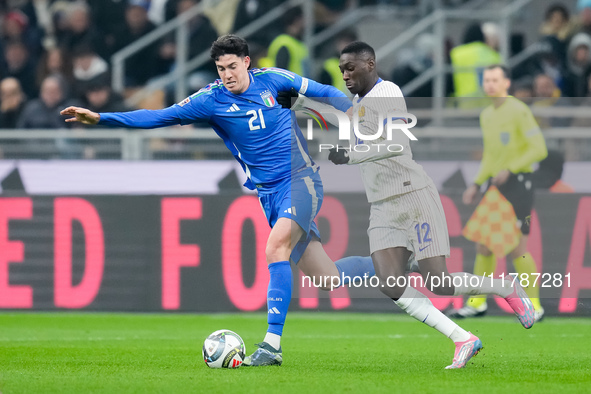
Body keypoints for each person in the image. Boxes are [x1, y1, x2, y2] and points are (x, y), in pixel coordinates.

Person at [60, 34, 375, 367]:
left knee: (274, 248)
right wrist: (102, 118)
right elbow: (158, 116)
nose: (227, 74)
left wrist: (353, 109)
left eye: (232, 66)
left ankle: (271, 346)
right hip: (269, 195)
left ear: (246, 63)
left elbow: (323, 91)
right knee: (327, 278)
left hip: (302, 181)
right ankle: (396, 264)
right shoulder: (210, 100)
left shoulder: (275, 80)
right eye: (221, 68)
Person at [327, 42, 535, 369]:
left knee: (440, 283)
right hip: (381, 206)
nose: (345, 75)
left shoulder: (389, 93)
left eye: (350, 68)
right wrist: (296, 103)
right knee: (390, 282)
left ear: (370, 64)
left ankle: (505, 287)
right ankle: (462, 338)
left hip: (413, 196)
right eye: (341, 70)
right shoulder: (358, 103)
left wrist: (351, 154)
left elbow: (394, 144)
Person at [448, 65, 548, 322]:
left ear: (507, 83)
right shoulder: (487, 115)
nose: (490, 84)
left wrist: (512, 169)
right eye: (487, 80)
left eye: (496, 79)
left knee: (518, 248)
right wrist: (476, 183)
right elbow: (491, 156)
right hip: (496, 187)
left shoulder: (518, 110)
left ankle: (534, 306)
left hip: (520, 184)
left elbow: (539, 149)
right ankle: (477, 303)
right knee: (484, 245)